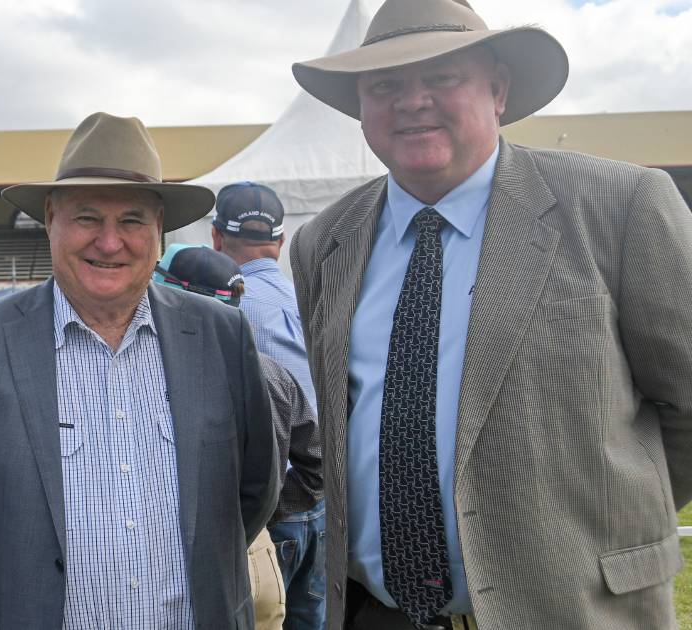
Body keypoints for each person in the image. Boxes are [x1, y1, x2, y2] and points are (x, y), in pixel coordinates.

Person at [289, 1, 692, 628]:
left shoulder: (621, 206)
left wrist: (610, 529)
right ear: (361, 107)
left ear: (498, 90)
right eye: (385, 85)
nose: (413, 101)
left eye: (443, 77)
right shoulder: (323, 242)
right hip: (376, 613)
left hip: (573, 612)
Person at [0, 111, 278, 629]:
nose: (110, 242)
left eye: (131, 220)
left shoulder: (222, 336)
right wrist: (16, 583)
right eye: (87, 217)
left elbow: (254, 491)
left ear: (158, 230)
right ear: (50, 218)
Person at [154, 244, 322, 630]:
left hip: (189, 565)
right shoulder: (270, 371)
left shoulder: (155, 374)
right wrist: (265, 517)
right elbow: (317, 464)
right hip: (259, 560)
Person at [211, 181, 326, 629]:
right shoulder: (314, 300)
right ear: (280, 242)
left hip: (267, 511)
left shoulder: (225, 311)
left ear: (216, 239)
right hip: (320, 498)